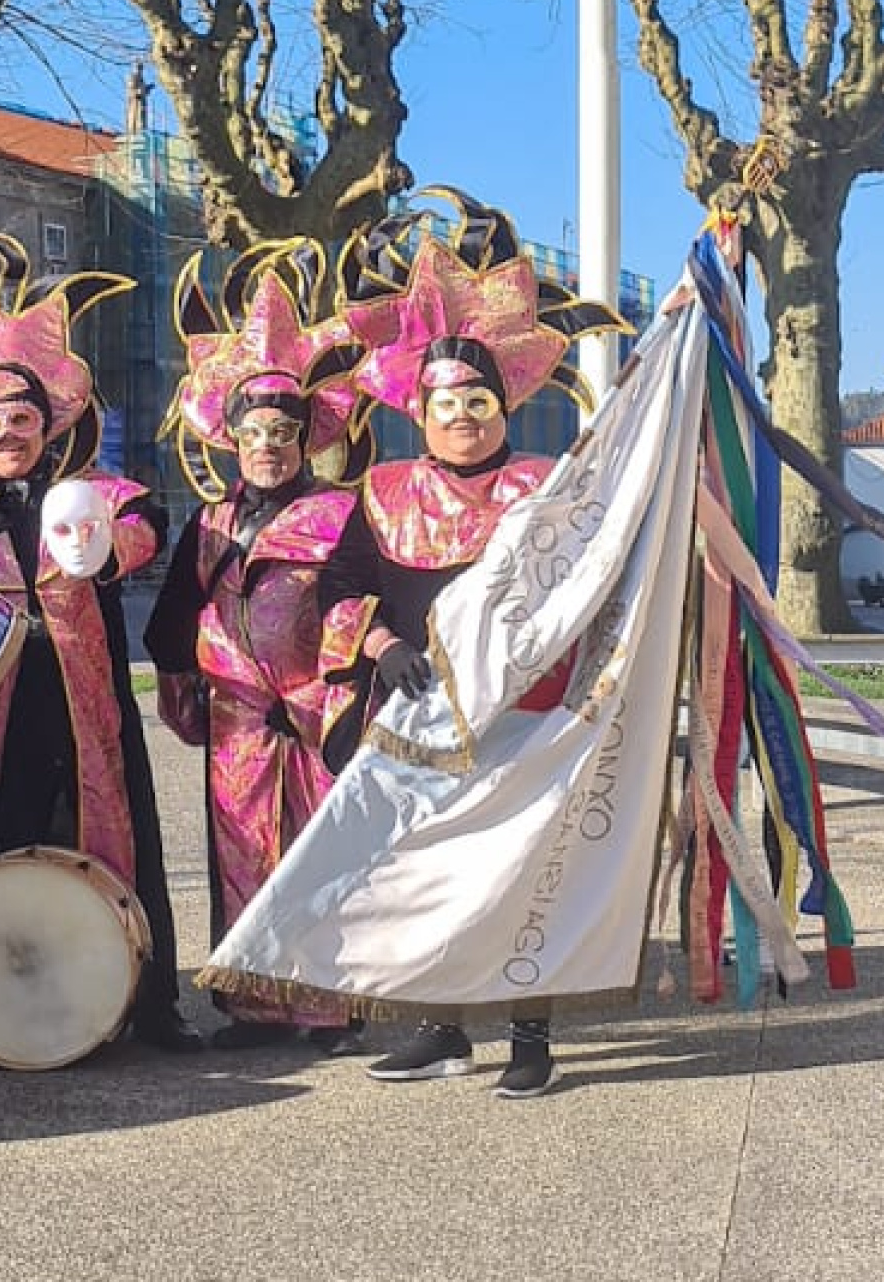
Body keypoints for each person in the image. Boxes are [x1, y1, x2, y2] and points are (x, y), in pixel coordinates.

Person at [336, 200, 620, 1098]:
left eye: (478, 401)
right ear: (417, 410)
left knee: (520, 872)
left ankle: (530, 1036)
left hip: (525, 713)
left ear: (506, 407)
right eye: (445, 403)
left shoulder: (547, 492)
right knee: (425, 869)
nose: (461, 416)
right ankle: (439, 1027)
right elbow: (338, 590)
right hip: (418, 711)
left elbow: (597, 581)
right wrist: (380, 646)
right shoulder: (380, 492)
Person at [0, 242, 199, 1053]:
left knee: (120, 840)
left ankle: (144, 1000)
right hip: (5, 715)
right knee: (12, 852)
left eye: (22, 422)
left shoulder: (94, 498)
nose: (9, 436)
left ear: (47, 427)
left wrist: (111, 547)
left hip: (92, 708)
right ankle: (17, 1005)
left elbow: (146, 526)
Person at [147, 249, 380, 1051]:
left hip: (313, 715)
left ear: (307, 437)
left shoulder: (339, 515)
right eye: (254, 434)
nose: (268, 447)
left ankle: (327, 1006)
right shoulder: (208, 522)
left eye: (284, 434)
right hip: (236, 722)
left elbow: (357, 602)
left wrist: (334, 691)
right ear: (232, 441)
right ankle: (253, 1004)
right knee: (241, 854)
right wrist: (181, 684)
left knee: (321, 854)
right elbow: (177, 614)